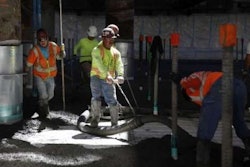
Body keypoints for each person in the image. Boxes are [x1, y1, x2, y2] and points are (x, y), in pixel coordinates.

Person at [170, 71, 250, 167]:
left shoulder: (193, 83)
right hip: (239, 85)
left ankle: (202, 161)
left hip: (220, 84)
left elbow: (194, 82)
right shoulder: (203, 93)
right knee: (238, 121)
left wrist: (181, 81)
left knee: (205, 128)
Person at [26, 28, 65, 119]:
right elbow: (29, 63)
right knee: (43, 95)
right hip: (39, 76)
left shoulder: (54, 46)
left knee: (50, 95)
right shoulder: (35, 50)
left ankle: (40, 105)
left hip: (50, 76)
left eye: (44, 39)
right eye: (40, 40)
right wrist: (26, 72)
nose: (42, 41)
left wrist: (63, 53)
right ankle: (44, 112)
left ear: (48, 38)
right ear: (37, 40)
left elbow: (59, 56)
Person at [89, 27, 124, 127]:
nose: (108, 41)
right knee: (96, 97)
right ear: (102, 39)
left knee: (111, 99)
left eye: (110, 38)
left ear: (113, 39)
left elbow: (119, 64)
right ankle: (95, 119)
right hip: (96, 76)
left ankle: (114, 122)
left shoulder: (116, 53)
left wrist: (120, 75)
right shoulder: (96, 50)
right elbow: (100, 65)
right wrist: (107, 76)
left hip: (109, 79)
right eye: (106, 38)